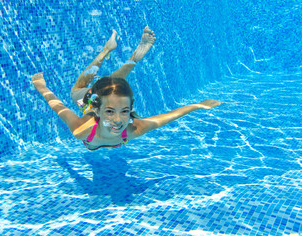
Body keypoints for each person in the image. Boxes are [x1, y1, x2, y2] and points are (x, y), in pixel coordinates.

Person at [32, 26, 222, 151]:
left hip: (98, 100)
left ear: (130, 109)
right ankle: (116, 54)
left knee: (104, 87)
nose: (118, 120)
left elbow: (168, 117)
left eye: (125, 111)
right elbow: (58, 107)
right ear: (98, 111)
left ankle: (117, 54)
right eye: (110, 112)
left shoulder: (130, 129)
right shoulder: (83, 129)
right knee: (80, 90)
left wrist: (198, 106)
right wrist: (42, 87)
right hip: (89, 101)